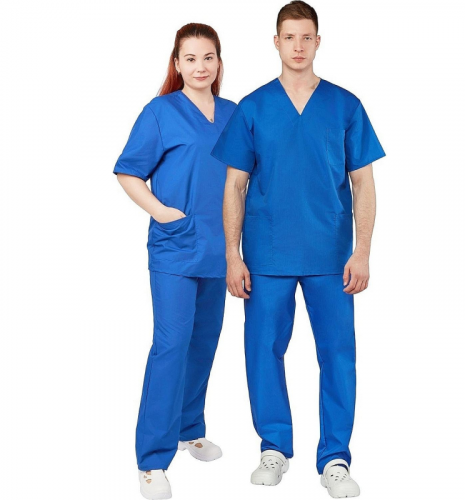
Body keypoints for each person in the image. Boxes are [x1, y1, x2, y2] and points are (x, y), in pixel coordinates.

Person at [211, 2, 385, 498]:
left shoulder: (345, 105)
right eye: (289, 37)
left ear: (318, 42)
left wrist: (362, 250)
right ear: (276, 42)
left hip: (332, 255)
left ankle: (335, 458)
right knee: (263, 351)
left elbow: (363, 183)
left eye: (307, 37)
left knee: (338, 356)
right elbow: (234, 185)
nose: (298, 46)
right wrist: (232, 255)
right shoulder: (253, 107)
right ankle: (274, 448)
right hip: (267, 255)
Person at [113, 23, 236, 500]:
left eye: (209, 57)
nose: (200, 67)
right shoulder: (160, 112)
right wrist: (163, 213)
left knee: (204, 342)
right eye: (191, 58)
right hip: (175, 247)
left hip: (222, 249)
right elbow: (128, 171)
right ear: (177, 64)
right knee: (170, 346)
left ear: (219, 62)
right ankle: (152, 458)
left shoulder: (234, 113)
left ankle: (189, 429)